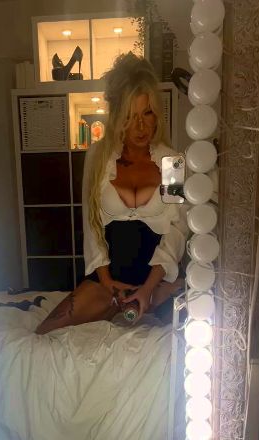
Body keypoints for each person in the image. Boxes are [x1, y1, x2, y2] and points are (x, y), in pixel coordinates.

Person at [36, 53, 187, 336]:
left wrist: (147, 289)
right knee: (46, 332)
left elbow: (177, 230)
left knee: (196, 325)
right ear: (117, 116)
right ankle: (114, 304)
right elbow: (91, 224)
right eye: (130, 116)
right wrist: (107, 284)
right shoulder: (97, 156)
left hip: (155, 284)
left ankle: (148, 300)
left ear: (156, 114)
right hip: (108, 282)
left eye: (147, 113)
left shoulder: (173, 163)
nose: (140, 126)